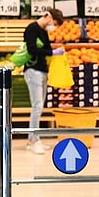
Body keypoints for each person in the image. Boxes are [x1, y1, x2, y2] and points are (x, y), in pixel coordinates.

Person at [24, 8, 64, 154]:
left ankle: (33, 138)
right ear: (48, 16)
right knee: (37, 106)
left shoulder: (43, 31)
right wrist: (52, 52)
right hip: (32, 70)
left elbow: (46, 48)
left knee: (39, 106)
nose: (52, 26)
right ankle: (33, 140)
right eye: (53, 22)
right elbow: (32, 49)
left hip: (42, 71)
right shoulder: (31, 29)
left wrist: (56, 49)